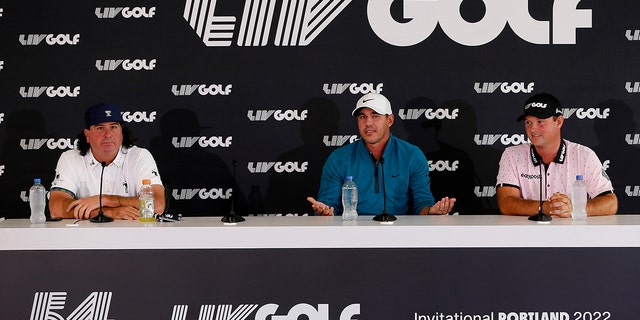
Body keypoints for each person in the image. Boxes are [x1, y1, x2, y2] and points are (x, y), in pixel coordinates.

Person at [307, 93, 456, 216]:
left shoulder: (412, 155)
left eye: (375, 116)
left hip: (400, 237)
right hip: (352, 236)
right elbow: (328, 206)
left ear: (389, 120)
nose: (368, 123)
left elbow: (422, 203)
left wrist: (431, 212)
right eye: (362, 117)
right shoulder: (339, 158)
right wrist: (324, 213)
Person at [496, 92, 617, 217]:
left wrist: (574, 209)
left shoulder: (584, 156)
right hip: (528, 234)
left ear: (559, 122)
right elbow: (506, 204)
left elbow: (611, 203)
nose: (532, 129)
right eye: (528, 122)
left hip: (574, 235)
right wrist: (544, 207)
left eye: (540, 122)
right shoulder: (512, 155)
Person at [49, 103, 165, 220]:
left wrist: (104, 200)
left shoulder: (139, 156)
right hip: (85, 236)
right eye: (100, 128)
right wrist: (109, 213)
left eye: (113, 127)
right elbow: (56, 208)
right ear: (87, 134)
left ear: (121, 132)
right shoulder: (70, 159)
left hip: (132, 235)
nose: (108, 134)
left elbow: (158, 205)